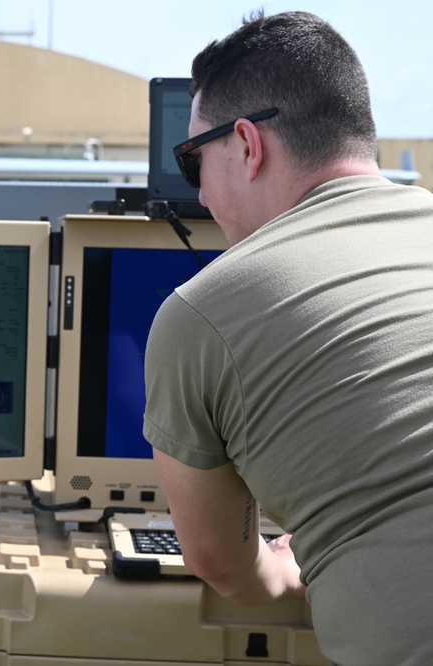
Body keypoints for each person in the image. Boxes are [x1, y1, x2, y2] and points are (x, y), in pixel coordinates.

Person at [142, 10, 433, 665]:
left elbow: (222, 564)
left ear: (247, 145)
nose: (202, 197)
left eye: (194, 163)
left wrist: (279, 564)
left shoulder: (201, 312)